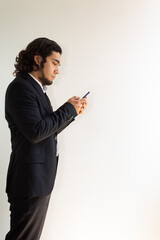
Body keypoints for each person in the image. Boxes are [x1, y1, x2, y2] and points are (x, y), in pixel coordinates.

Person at [5, 37, 88, 240]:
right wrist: (67, 110)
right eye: (55, 63)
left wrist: (72, 113)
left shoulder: (37, 90)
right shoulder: (21, 88)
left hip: (37, 180)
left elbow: (45, 130)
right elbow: (35, 132)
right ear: (37, 59)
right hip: (29, 182)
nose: (58, 70)